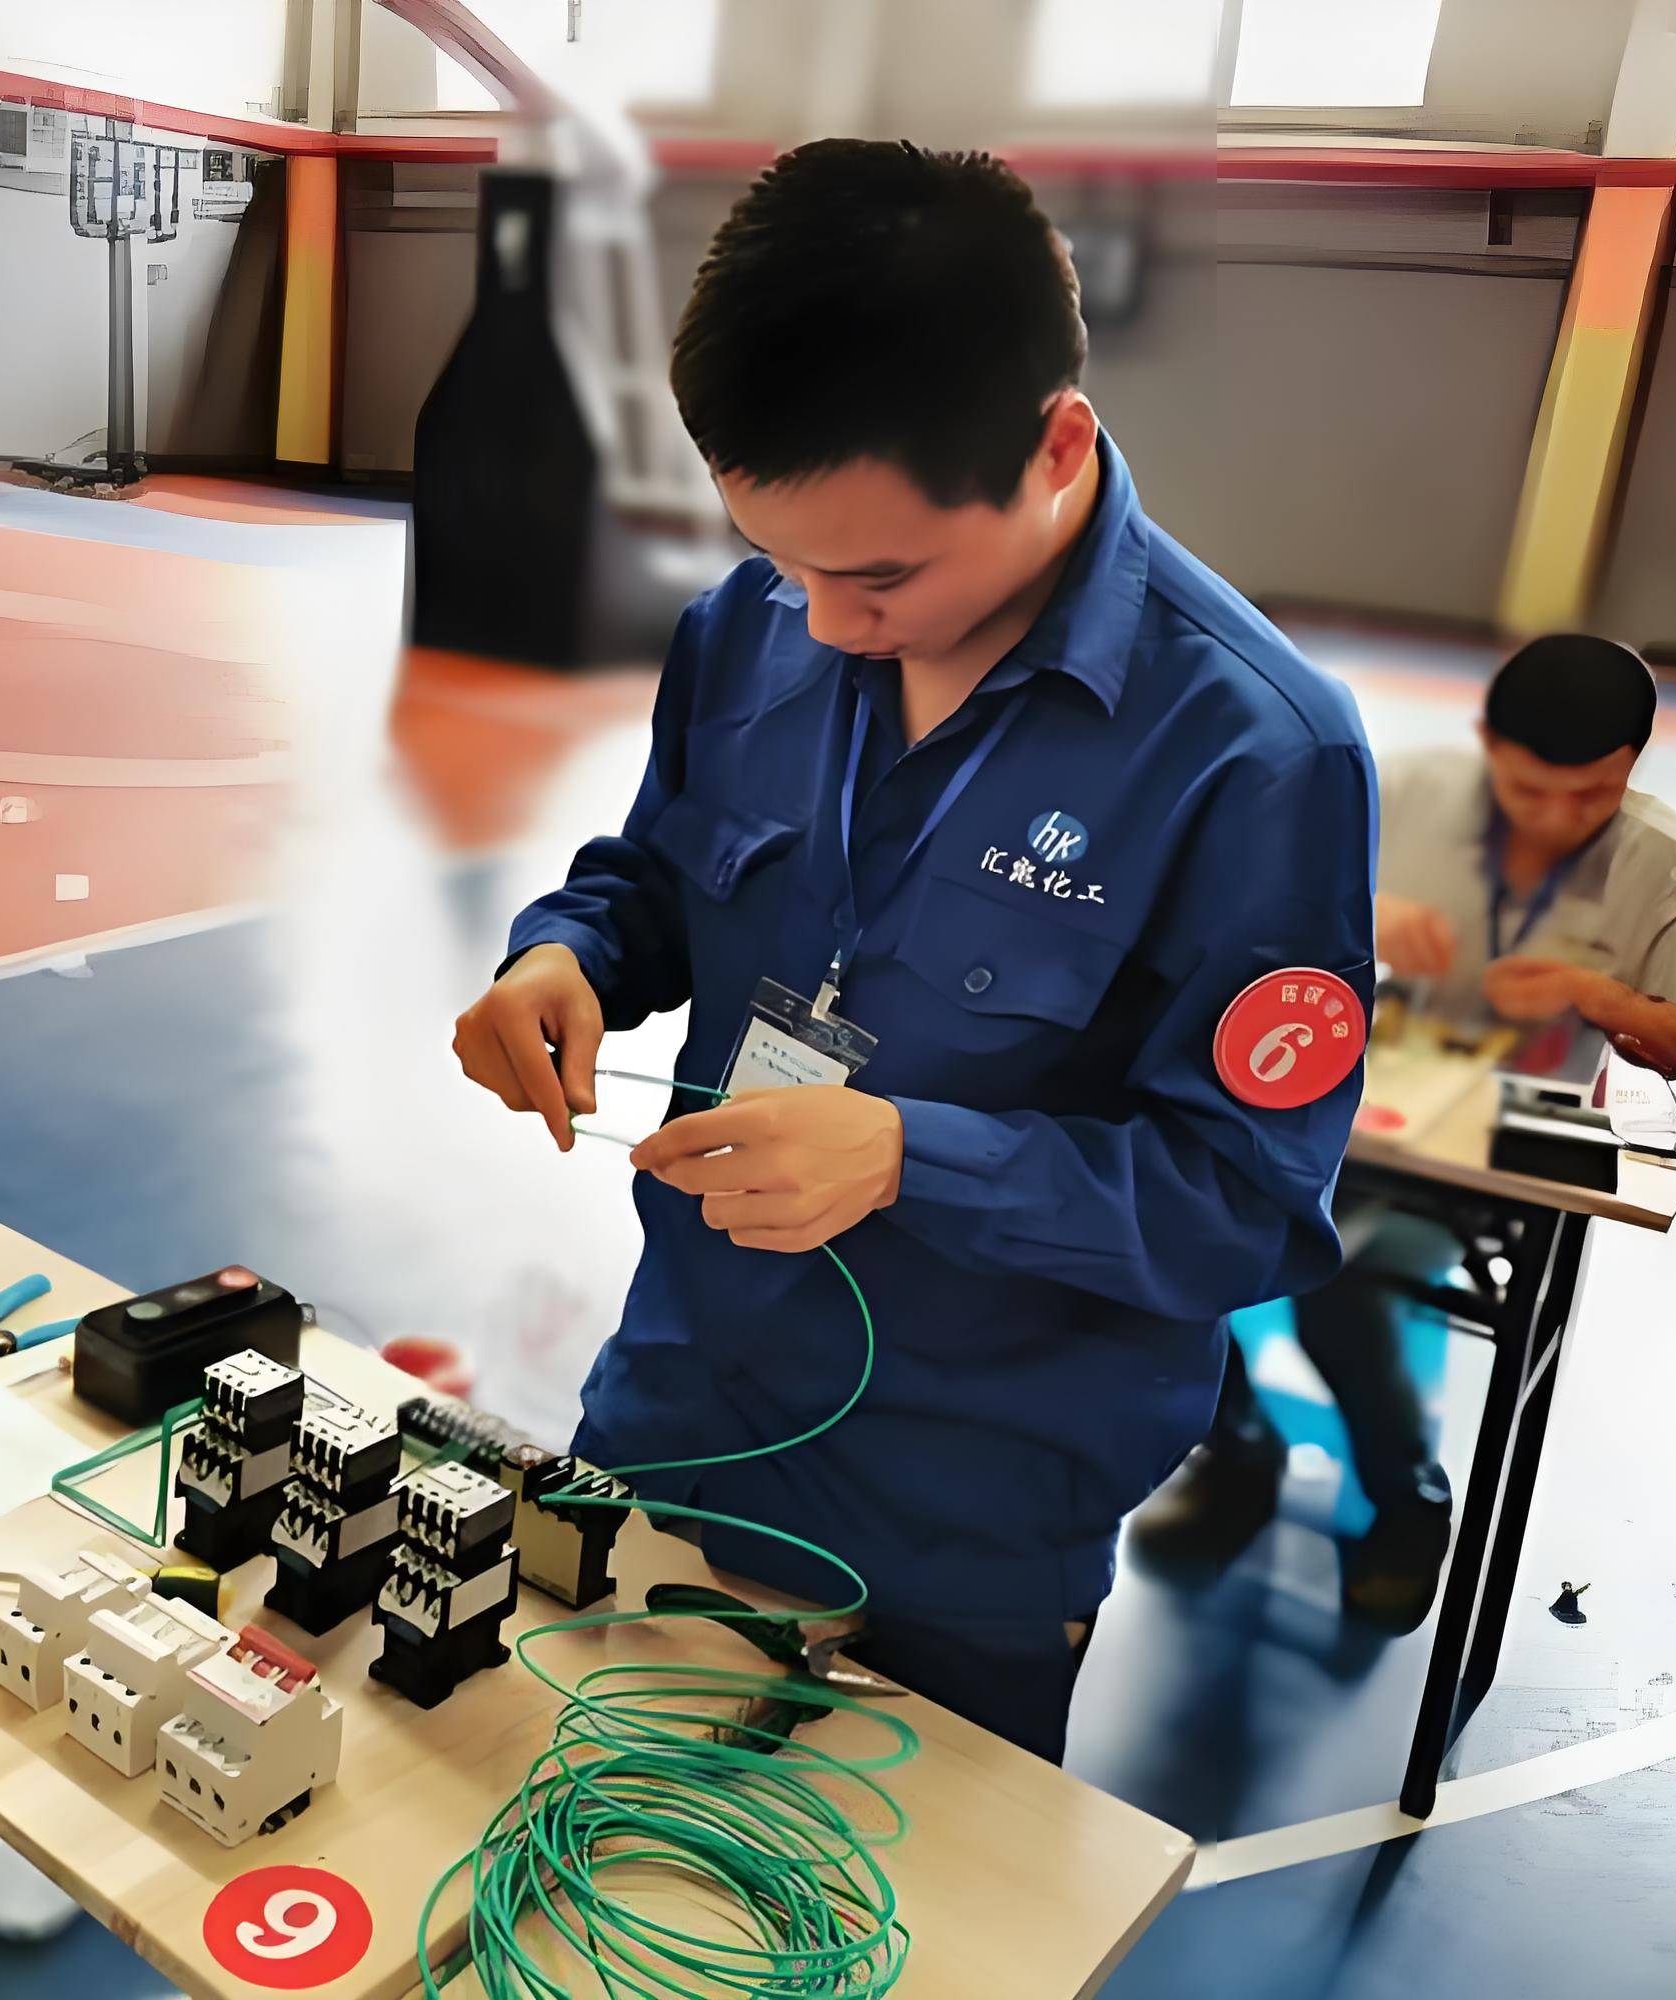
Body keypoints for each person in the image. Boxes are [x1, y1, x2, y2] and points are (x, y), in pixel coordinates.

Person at [450, 142, 1379, 1763]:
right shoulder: (749, 626)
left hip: (966, 1512)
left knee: (880, 1920)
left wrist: (906, 1160)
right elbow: (657, 875)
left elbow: (1239, 1208)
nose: (816, 621)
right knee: (581, 1838)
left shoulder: (1256, 757)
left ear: (1053, 447)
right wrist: (571, 957)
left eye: (876, 575)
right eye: (779, 555)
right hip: (680, 1405)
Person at [1133, 633, 1676, 1627]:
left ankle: (1406, 1500)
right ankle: (1235, 1446)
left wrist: (1591, 988)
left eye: (1591, 796)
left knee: (1343, 1282)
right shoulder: (1401, 789)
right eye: (1527, 789)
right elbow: (1248, 926)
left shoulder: (1663, 858)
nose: (1555, 820)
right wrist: (1364, 911)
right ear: (1486, 743)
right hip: (1346, 1108)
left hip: (1492, 1148)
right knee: (1172, 1213)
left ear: (1632, 764)